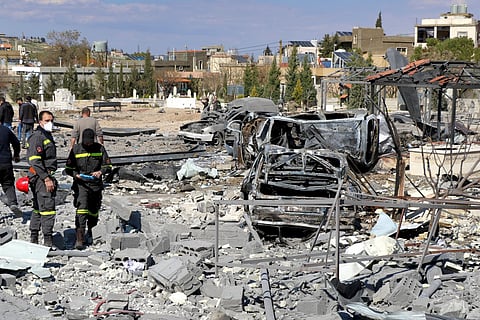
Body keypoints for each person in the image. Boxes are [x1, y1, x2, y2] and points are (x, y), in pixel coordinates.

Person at [65, 128, 112, 249]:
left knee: (93, 210)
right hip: (81, 185)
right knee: (82, 209)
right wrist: (76, 175)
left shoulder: (100, 148)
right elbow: (68, 168)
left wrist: (101, 171)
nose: (88, 144)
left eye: (90, 142)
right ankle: (79, 238)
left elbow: (108, 165)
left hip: (95, 185)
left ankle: (91, 232)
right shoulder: (76, 149)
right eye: (86, 142)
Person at [26, 110, 57, 247]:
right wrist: (46, 178)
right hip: (40, 176)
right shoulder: (37, 137)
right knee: (47, 207)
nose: (50, 123)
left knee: (39, 207)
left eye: (51, 120)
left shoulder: (46, 135)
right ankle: (47, 242)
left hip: (43, 175)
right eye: (46, 121)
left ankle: (34, 239)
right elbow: (35, 161)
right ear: (40, 122)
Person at [0, 124, 21, 215]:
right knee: (8, 184)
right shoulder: (6, 130)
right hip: (5, 162)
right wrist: (16, 155)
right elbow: (16, 143)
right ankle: (13, 203)